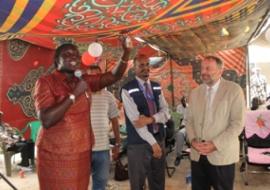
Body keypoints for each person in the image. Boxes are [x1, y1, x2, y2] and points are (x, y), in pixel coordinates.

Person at [33, 38, 131, 190]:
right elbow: (46, 119)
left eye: (76, 55)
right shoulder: (46, 82)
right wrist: (74, 94)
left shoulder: (83, 80)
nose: (74, 57)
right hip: (55, 153)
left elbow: (112, 76)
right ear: (56, 60)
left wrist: (126, 52)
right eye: (68, 54)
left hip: (81, 152)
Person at [186, 56, 245, 190]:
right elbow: (189, 120)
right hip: (198, 155)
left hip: (222, 155)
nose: (203, 72)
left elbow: (237, 123)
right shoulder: (195, 92)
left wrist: (215, 144)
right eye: (202, 68)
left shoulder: (234, 90)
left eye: (208, 68)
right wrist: (193, 140)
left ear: (220, 70)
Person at [121, 53, 170, 190]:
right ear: (134, 68)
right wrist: (153, 143)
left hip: (158, 138)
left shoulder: (156, 86)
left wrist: (151, 119)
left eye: (147, 64)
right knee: (137, 183)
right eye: (141, 65)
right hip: (138, 144)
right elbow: (137, 122)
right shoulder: (127, 89)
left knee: (158, 181)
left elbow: (166, 113)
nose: (145, 68)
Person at [87, 65, 121, 190]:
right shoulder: (80, 96)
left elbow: (115, 121)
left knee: (100, 184)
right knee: (80, 184)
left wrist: (117, 143)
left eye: (97, 76)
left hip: (103, 150)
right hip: (83, 150)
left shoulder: (108, 96)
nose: (94, 79)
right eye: (91, 76)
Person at [174, 96, 188, 166]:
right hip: (183, 127)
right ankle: (178, 156)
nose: (184, 103)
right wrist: (179, 126)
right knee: (179, 134)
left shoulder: (190, 107)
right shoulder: (179, 107)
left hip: (191, 128)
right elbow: (179, 118)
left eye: (185, 101)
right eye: (183, 101)